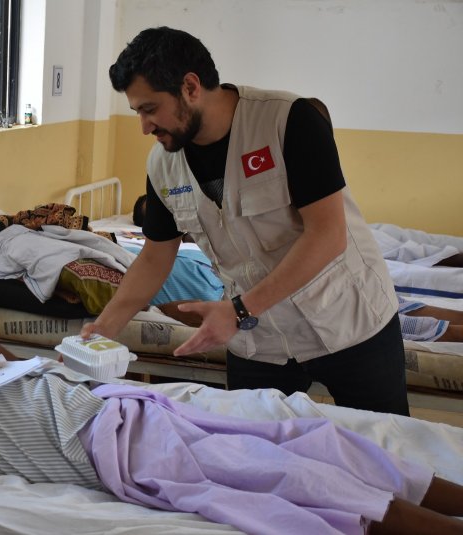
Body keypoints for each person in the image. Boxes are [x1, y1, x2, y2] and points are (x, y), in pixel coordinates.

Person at [0, 332, 463, 535]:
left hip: (117, 405)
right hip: (103, 445)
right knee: (297, 478)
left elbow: (1, 379)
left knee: (316, 438)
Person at [81, 27, 410, 415]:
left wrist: (238, 310)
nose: (144, 126)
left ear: (190, 87)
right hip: (260, 340)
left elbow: (328, 234)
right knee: (254, 446)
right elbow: (155, 256)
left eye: (150, 109)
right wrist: (104, 328)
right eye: (137, 112)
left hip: (349, 321)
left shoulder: (286, 120)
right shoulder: (163, 165)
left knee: (385, 445)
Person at [134, 193, 463, 343]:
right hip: (256, 304)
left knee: (388, 301)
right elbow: (163, 308)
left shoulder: (194, 248)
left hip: (282, 283)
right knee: (373, 318)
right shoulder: (140, 264)